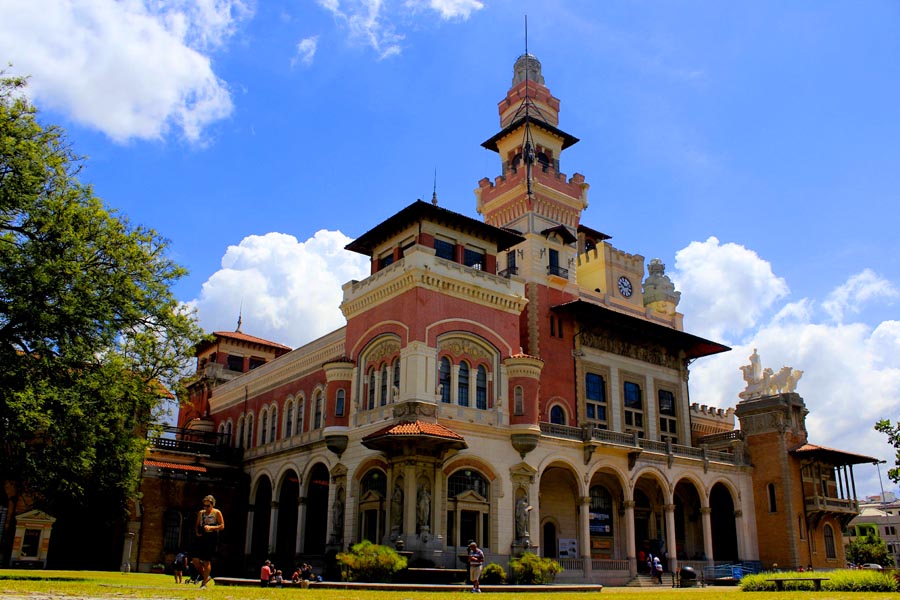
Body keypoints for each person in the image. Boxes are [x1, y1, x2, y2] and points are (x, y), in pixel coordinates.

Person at [193, 494, 224, 589]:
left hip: (211, 537)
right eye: (204, 505)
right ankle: (205, 576)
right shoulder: (201, 513)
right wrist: (197, 532)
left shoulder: (216, 512)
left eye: (208, 506)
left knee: (207, 561)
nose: (206, 508)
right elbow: (197, 525)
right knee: (195, 560)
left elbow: (222, 526)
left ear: (212, 505)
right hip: (202, 536)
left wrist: (211, 527)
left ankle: (204, 584)